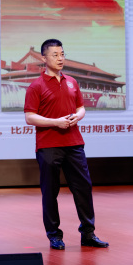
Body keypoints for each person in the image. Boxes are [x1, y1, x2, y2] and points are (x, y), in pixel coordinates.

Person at [24, 38, 108, 250]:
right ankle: (54, 235)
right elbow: (29, 117)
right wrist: (56, 122)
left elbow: (81, 107)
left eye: (62, 54)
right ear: (44, 58)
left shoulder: (72, 82)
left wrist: (77, 116)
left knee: (83, 188)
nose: (60, 58)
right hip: (49, 145)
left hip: (74, 143)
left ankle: (88, 233)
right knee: (50, 192)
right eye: (55, 55)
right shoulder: (36, 86)